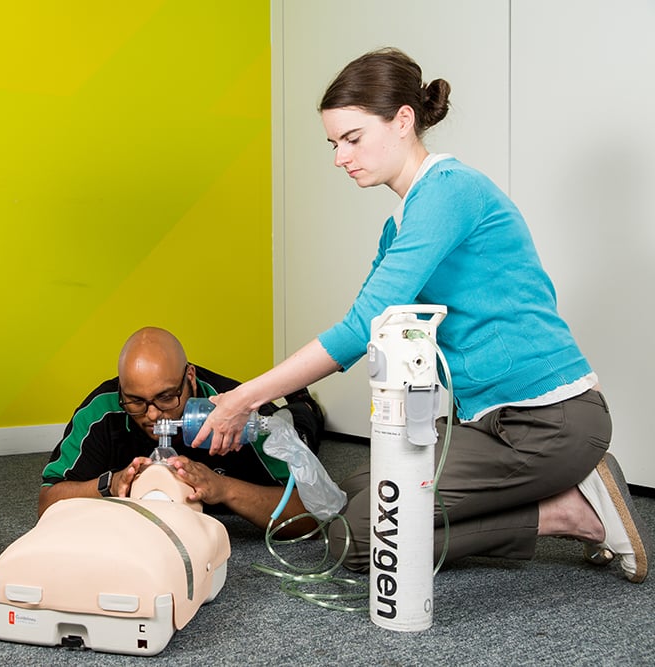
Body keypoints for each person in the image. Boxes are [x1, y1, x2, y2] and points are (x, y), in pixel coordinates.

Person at [193, 48, 651, 582]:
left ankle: (571, 514)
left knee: (357, 539)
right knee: (360, 489)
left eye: (353, 138)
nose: (340, 157)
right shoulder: (403, 225)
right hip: (487, 422)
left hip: (548, 422)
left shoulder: (449, 193)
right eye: (333, 143)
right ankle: (560, 491)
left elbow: (358, 329)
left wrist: (245, 397)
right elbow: (375, 328)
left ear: (404, 120)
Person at [38, 327, 327, 535]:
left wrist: (223, 489)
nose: (152, 415)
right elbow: (48, 503)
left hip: (289, 424)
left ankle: (304, 405)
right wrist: (109, 485)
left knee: (297, 427)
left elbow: (312, 514)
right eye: (136, 401)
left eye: (166, 397)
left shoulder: (235, 409)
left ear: (190, 377)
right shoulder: (102, 411)